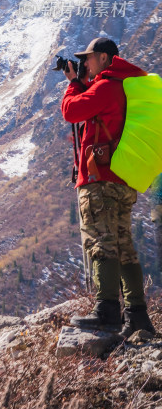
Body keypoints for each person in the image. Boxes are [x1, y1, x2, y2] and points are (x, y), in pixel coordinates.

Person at [61, 36, 155, 336]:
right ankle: (138, 315)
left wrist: (73, 84)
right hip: (123, 179)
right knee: (124, 247)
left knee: (101, 243)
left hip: (100, 179)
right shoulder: (124, 85)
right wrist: (83, 81)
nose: (84, 63)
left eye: (87, 58)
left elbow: (71, 111)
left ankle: (106, 311)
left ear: (103, 57)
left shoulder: (106, 86)